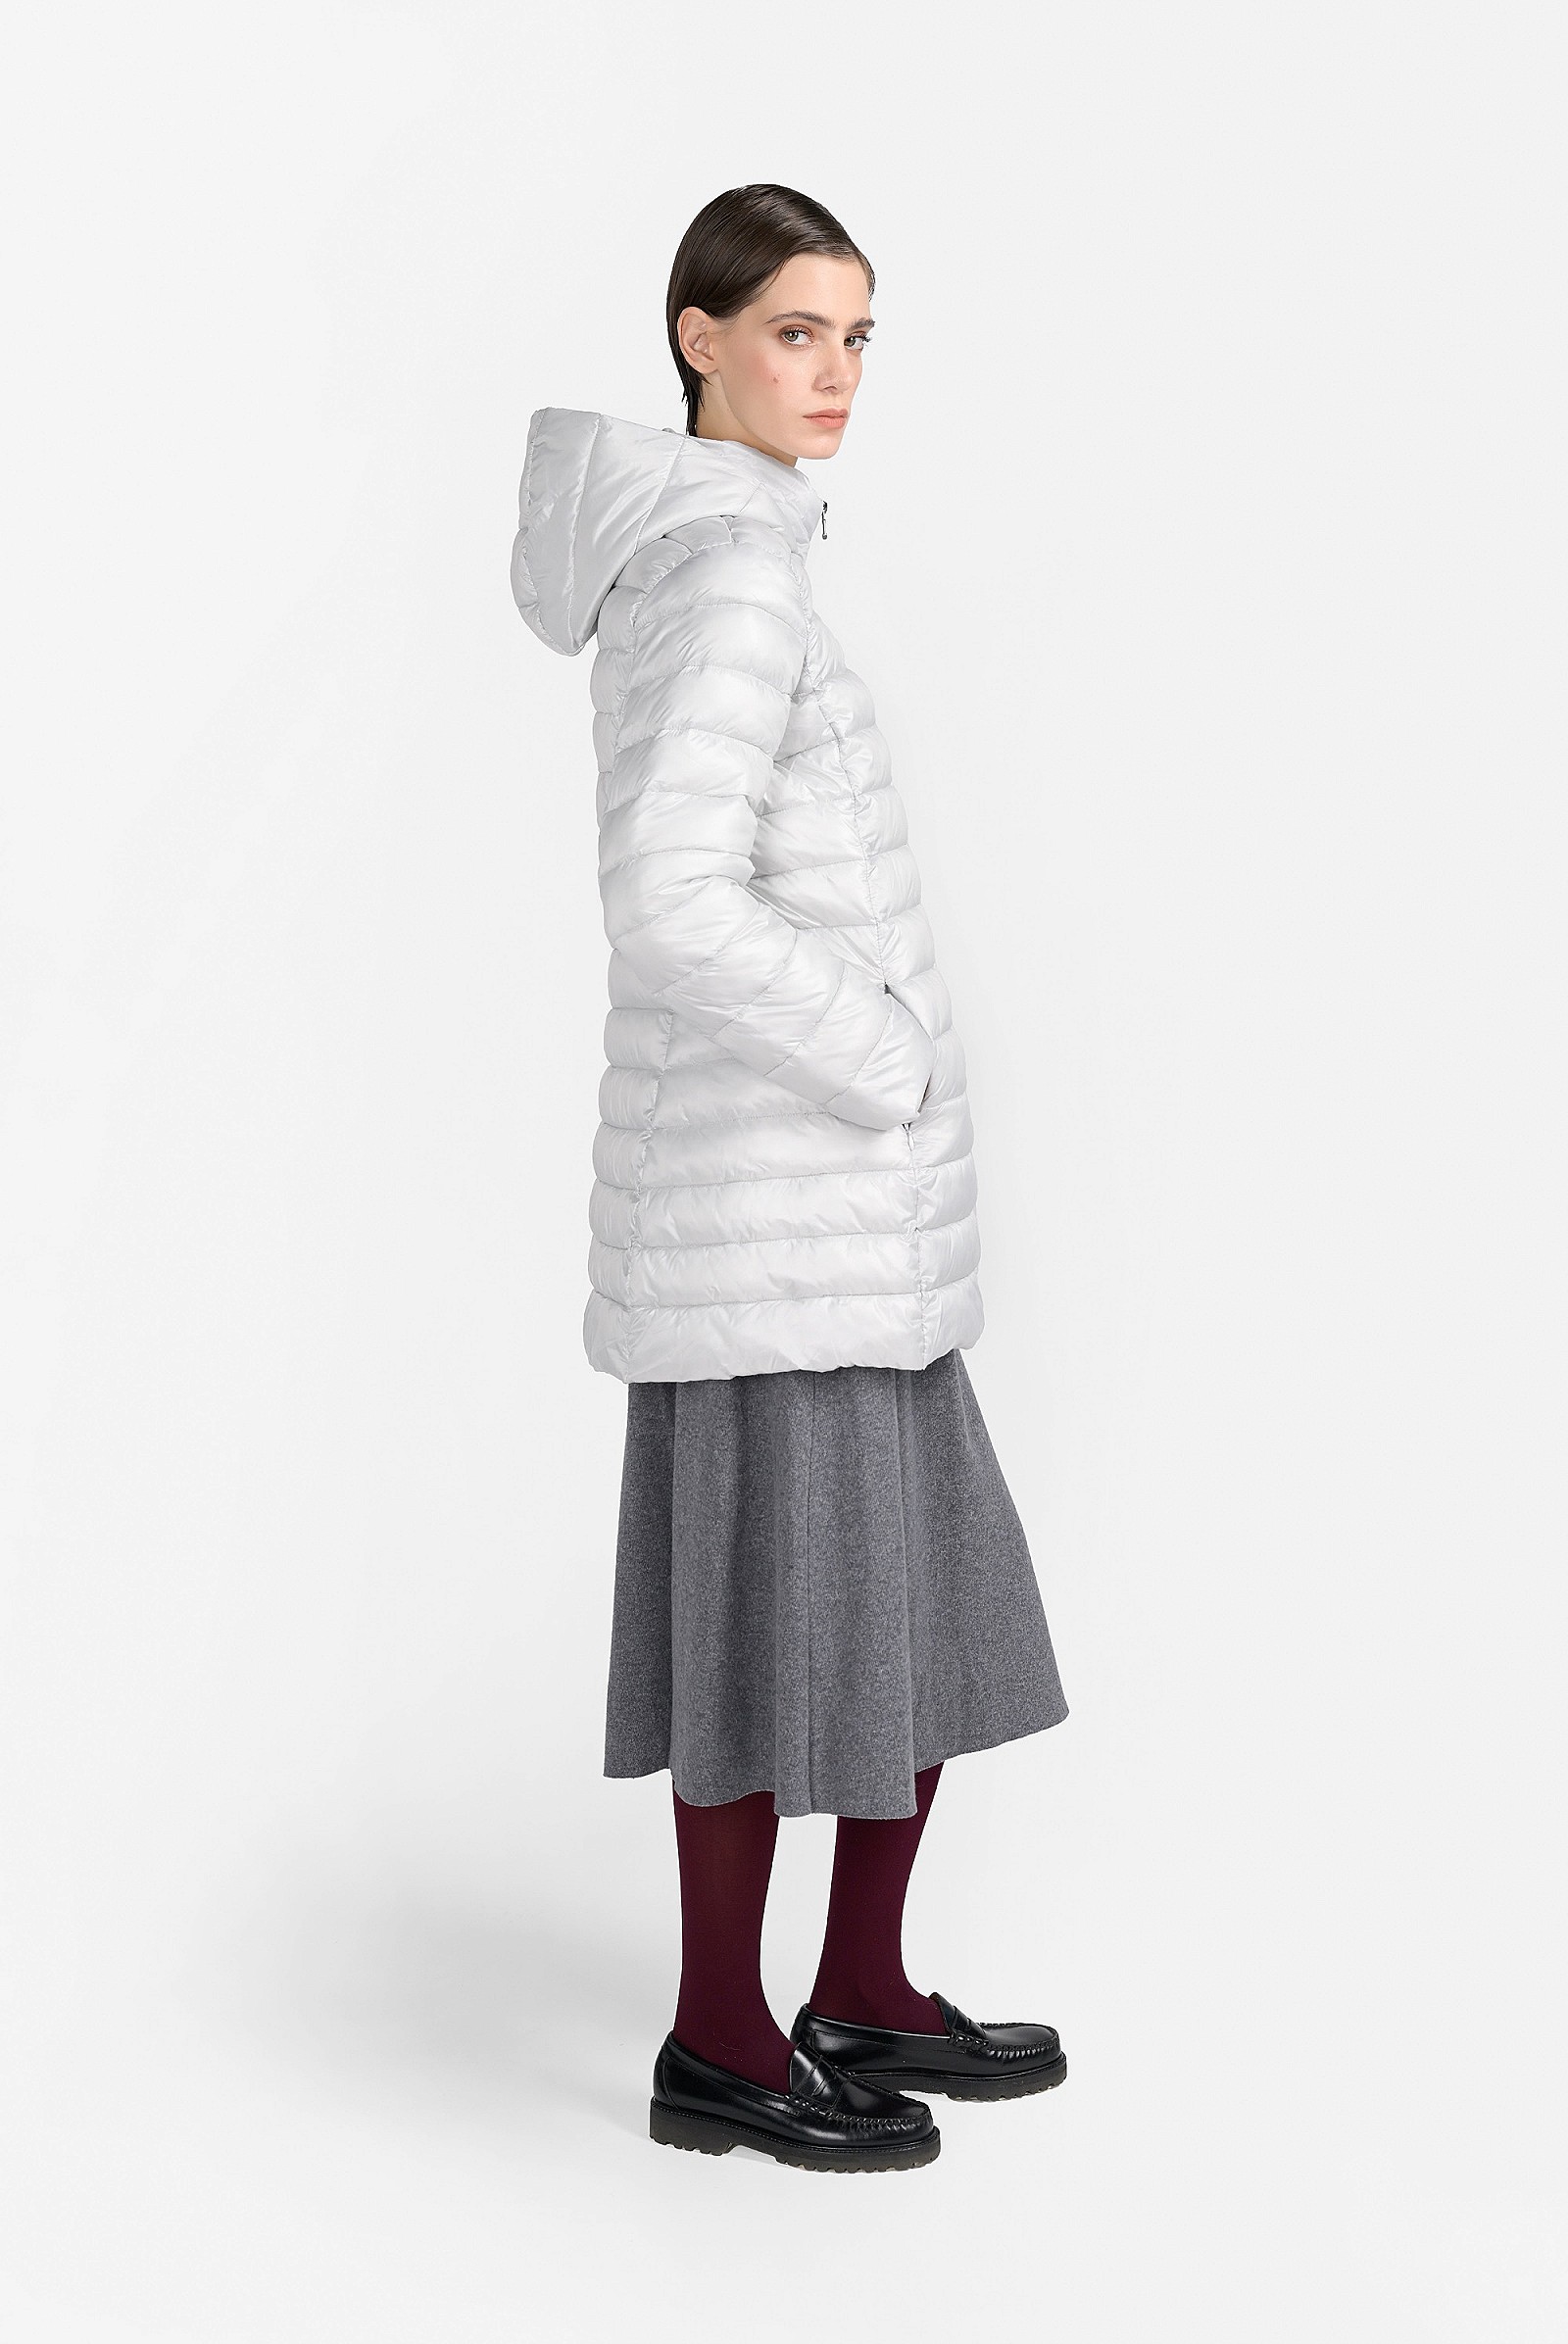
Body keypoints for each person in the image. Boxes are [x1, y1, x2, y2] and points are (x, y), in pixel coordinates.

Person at [510, 183, 1069, 2174]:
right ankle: (724, 2042)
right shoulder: (728, 572)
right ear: (698, 336)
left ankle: (857, 1989)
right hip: (782, 1212)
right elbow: (667, 900)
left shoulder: (728, 552)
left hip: (824, 1218)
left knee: (915, 1600)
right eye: (792, 334)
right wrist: (881, 1052)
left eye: (854, 338)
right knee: (774, 1632)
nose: (832, 376)